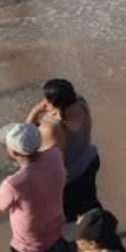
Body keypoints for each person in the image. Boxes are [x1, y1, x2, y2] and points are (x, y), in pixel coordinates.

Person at [0, 122, 72, 252]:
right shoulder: (55, 156)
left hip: (31, 248)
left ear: (13, 153)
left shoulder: (13, 184)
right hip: (59, 233)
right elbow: (56, 138)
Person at [27, 79, 101, 220]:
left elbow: (25, 139)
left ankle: (80, 239)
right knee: (90, 204)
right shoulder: (81, 104)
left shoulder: (52, 126)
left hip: (70, 177)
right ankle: (103, 233)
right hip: (89, 160)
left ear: (53, 102)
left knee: (68, 216)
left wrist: (35, 112)